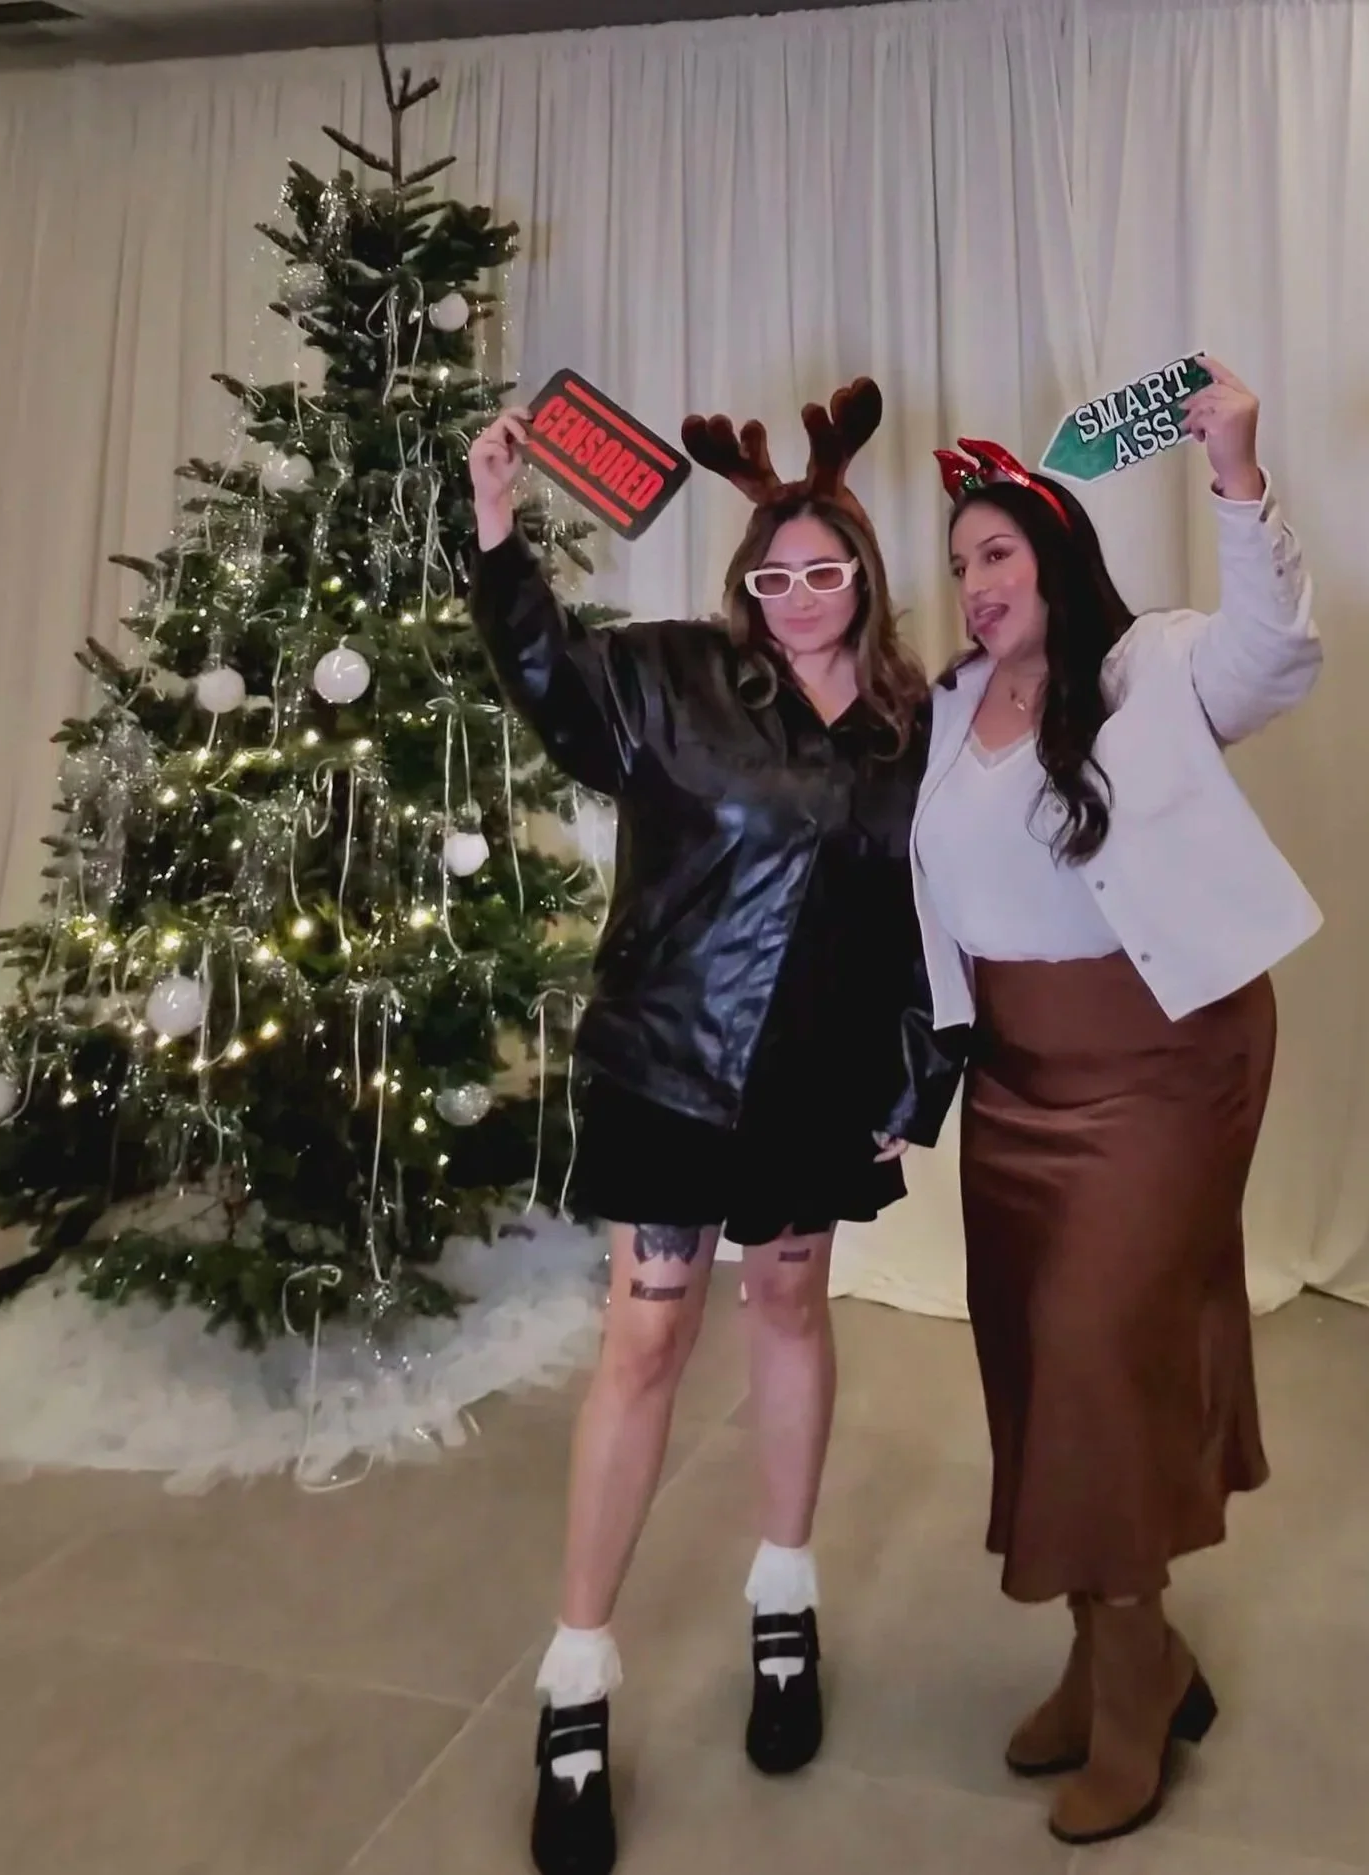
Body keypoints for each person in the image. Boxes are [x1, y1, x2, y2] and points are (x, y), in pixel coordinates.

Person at [466, 379, 959, 1875]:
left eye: (827, 571)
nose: (799, 594)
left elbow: (943, 916)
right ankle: (576, 1671)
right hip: (674, 1072)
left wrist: (913, 1084)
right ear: (743, 587)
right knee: (647, 1335)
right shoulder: (673, 680)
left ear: (865, 581)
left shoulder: (910, 723)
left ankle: (785, 1596)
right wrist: (495, 526)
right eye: (774, 572)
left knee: (796, 1304)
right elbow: (548, 680)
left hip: (820, 1088)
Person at [912, 360, 1320, 1846]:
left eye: (998, 552)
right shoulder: (954, 704)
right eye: (958, 564)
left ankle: (1138, 1661)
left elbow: (1277, 657)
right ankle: (1102, 1644)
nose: (973, 584)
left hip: (1166, 1061)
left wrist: (1235, 470)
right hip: (1016, 1083)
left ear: (1058, 554)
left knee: (1097, 1345)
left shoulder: (1151, 667)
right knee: (1031, 1357)